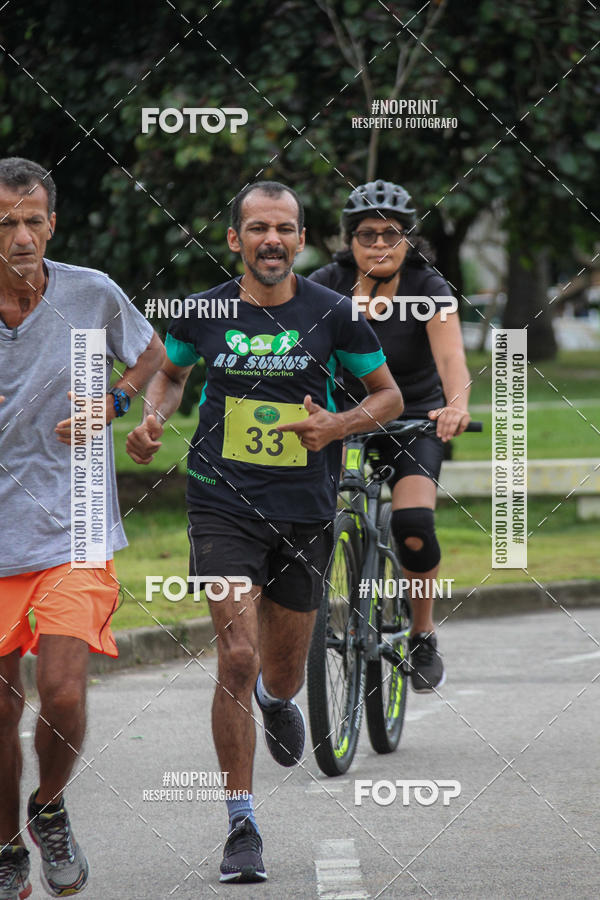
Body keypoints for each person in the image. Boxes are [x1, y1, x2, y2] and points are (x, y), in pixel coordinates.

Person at [126, 180, 403, 884]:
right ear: (235, 239)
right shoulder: (205, 311)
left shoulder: (335, 314)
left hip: (305, 511)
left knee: (278, 673)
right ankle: (241, 823)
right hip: (222, 503)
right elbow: (172, 376)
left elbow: (388, 395)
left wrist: (337, 425)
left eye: (283, 228)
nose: (270, 240)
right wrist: (156, 416)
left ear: (301, 240)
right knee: (238, 655)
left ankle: (278, 703)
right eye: (257, 228)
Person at [0, 157, 164, 899]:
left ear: (53, 224)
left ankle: (50, 807)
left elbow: (160, 354)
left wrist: (122, 403)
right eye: (6, 222)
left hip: (75, 525)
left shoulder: (90, 293)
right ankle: (5, 846)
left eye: (34, 219)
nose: (22, 235)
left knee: (61, 693)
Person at [309, 179, 471, 693]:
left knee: (414, 522)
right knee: (304, 518)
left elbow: (451, 358)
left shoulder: (429, 288)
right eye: (366, 234)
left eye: (391, 234)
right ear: (348, 239)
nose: (379, 244)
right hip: (342, 416)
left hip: (415, 419)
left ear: (408, 239)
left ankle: (422, 634)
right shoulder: (325, 284)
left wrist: (457, 406)